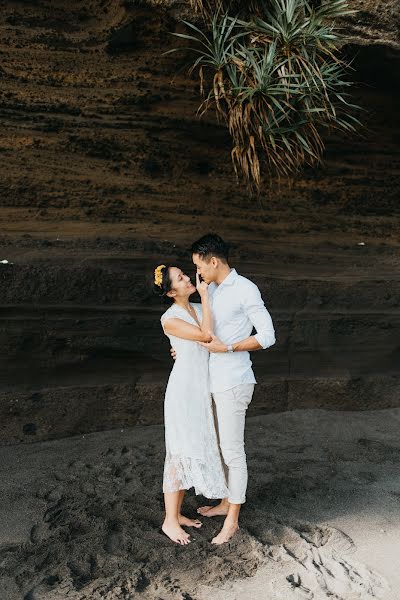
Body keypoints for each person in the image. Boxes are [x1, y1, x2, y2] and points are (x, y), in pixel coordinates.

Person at [171, 234, 276, 544]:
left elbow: (268, 335)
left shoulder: (245, 290)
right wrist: (183, 349)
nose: (196, 273)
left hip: (233, 381)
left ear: (212, 261)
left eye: (197, 266)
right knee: (219, 448)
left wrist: (229, 347)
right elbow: (204, 334)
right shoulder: (210, 290)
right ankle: (226, 502)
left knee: (233, 452)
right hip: (209, 382)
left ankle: (232, 521)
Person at [153, 263, 229, 546]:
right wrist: (207, 299)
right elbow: (206, 336)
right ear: (172, 291)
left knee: (198, 445)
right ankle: (169, 520)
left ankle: (182, 513)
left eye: (185, 274)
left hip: (203, 388)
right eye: (182, 278)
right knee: (179, 451)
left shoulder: (196, 307)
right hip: (184, 391)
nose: (188, 278)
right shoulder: (169, 318)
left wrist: (205, 302)